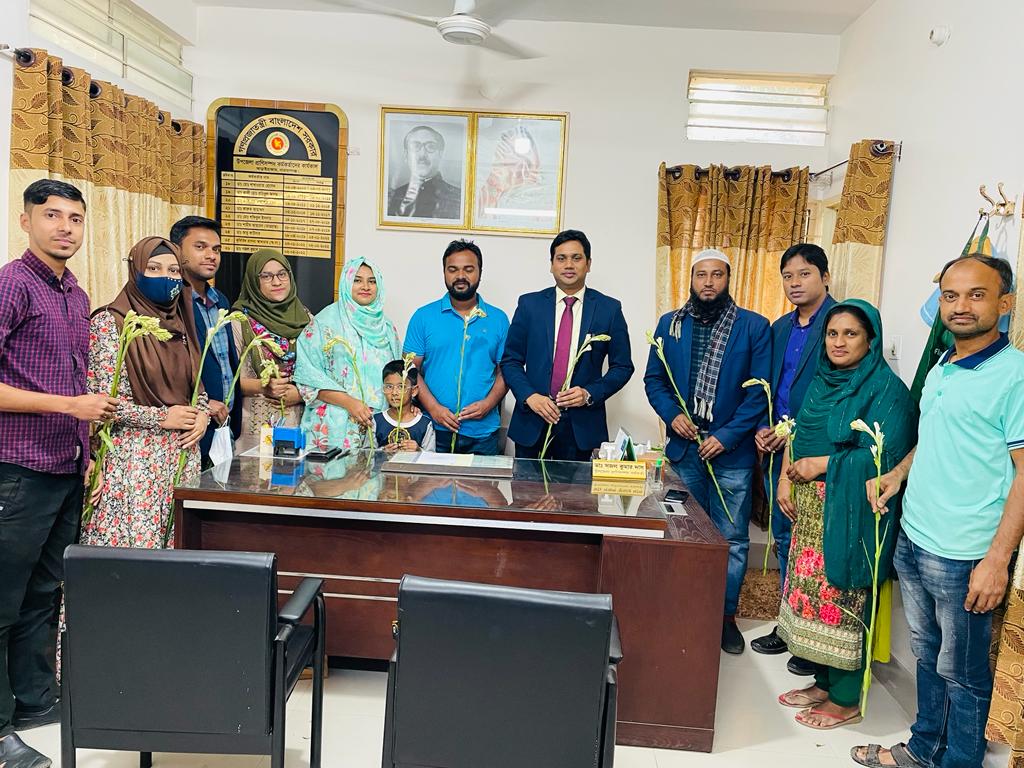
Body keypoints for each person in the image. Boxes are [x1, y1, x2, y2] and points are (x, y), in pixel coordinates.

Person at [854, 255, 1024, 768]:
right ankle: (924, 747)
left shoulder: (1015, 375)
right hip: (914, 536)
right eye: (951, 295)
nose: (960, 306)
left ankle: (958, 761)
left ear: (1005, 303)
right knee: (927, 654)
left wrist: (997, 560)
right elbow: (934, 438)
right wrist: (898, 473)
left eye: (976, 294)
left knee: (963, 673)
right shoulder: (944, 363)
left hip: (964, 552)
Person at [0, 180, 118, 768]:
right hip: (17, 469)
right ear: (26, 221)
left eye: (75, 217)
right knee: (3, 600)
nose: (65, 227)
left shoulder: (75, 293)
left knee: (42, 596)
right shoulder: (11, 284)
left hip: (65, 467)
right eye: (51, 215)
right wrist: (69, 407)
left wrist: (84, 445)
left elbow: (72, 378)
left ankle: (34, 702)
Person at [773, 301, 916, 730]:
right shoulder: (821, 381)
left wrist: (821, 465)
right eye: (832, 334)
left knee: (843, 596)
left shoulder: (887, 390)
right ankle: (824, 681)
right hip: (811, 511)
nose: (838, 342)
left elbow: (884, 458)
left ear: (870, 339)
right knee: (813, 598)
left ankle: (846, 697)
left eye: (851, 334)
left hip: (852, 512)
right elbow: (797, 433)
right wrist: (786, 479)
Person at [644, 248, 770, 654]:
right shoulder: (670, 325)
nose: (709, 282)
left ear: (728, 279)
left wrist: (727, 436)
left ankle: (724, 617)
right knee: (682, 533)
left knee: (731, 538)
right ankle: (685, 610)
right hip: (685, 452)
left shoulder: (753, 327)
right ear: (692, 279)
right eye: (702, 275)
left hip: (731, 456)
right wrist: (673, 416)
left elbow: (759, 392)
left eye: (717, 275)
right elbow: (654, 380)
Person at [81, 237, 209, 550]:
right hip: (132, 462)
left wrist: (202, 415)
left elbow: (197, 388)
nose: (165, 277)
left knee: (175, 557)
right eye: (153, 268)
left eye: (173, 271)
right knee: (132, 557)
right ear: (135, 271)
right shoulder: (111, 322)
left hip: (181, 459)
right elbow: (101, 402)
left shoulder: (183, 324)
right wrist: (162, 417)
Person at [751, 243, 837, 674]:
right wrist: (762, 427)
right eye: (788, 276)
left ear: (825, 277)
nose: (795, 283)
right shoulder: (780, 327)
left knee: (813, 548)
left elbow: (838, 392)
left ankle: (812, 638)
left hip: (818, 453)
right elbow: (767, 385)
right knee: (784, 539)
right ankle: (788, 627)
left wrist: (792, 432)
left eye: (804, 274)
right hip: (776, 449)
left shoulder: (840, 324)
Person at [500, 229, 634, 461]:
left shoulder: (609, 309)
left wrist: (589, 393)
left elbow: (623, 367)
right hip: (533, 420)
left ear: (588, 264)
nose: (568, 265)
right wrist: (530, 396)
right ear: (552, 265)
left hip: (581, 427)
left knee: (576, 487)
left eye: (576, 258)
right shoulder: (529, 305)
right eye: (561, 258)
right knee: (526, 486)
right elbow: (511, 360)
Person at [405, 240, 509, 454]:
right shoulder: (423, 317)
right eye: (453, 269)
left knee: (483, 479)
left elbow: (507, 370)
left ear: (480, 272)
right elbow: (410, 369)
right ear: (444, 272)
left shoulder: (498, 319)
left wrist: (488, 404)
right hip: (433, 430)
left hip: (483, 433)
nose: (460, 276)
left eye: (468, 269)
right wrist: (434, 409)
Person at [295, 258, 400, 452]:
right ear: (345, 283)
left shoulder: (386, 328)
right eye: (357, 280)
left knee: (375, 471)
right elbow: (308, 377)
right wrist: (349, 403)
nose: (365, 286)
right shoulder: (323, 323)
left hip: (376, 426)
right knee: (333, 471)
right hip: (333, 425)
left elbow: (396, 376)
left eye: (372, 281)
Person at [170, 216, 239, 468]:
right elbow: (164, 369)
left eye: (216, 249)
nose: (211, 255)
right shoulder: (170, 302)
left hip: (223, 427)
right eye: (200, 247)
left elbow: (225, 361)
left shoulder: (220, 299)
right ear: (177, 250)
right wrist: (202, 402)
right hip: (189, 429)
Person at [230, 249, 311, 450]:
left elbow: (321, 375)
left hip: (299, 423)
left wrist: (301, 393)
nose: (277, 282)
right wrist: (263, 386)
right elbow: (227, 381)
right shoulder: (239, 321)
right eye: (266, 276)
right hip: (253, 425)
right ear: (253, 281)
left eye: (282, 274)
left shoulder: (307, 319)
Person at [387, 126, 461, 219]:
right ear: (406, 155)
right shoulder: (391, 198)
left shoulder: (458, 198)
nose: (422, 154)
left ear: (440, 154)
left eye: (430, 147)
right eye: (415, 146)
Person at [373, 360, 436, 452]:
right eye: (389, 387)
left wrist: (418, 450)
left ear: (414, 391)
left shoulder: (424, 424)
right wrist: (382, 452)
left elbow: (431, 456)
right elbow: (366, 455)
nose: (394, 392)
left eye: (401, 387)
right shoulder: (376, 421)